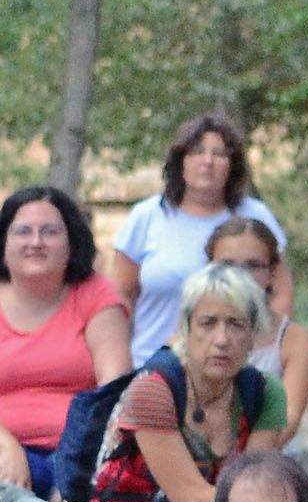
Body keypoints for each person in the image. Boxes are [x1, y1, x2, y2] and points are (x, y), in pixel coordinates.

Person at [83, 268, 287, 502]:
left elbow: (254, 489)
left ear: (253, 336)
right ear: (186, 330)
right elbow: (194, 496)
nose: (222, 340)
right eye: (208, 323)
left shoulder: (264, 392)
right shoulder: (154, 387)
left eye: (236, 325)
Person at [0, 184, 122, 495]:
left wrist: (75, 466)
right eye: (23, 232)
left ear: (71, 243)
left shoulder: (97, 294)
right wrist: (8, 449)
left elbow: (114, 389)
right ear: (3, 243)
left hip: (83, 451)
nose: (36, 242)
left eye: (50, 232)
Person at [104, 111, 283, 372]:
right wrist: (120, 369)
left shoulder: (255, 215)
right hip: (154, 367)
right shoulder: (146, 217)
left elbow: (281, 292)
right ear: (180, 161)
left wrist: (262, 350)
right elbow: (118, 301)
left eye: (219, 154)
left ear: (233, 164)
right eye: (197, 151)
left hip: (238, 371)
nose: (207, 161)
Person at [197, 214, 308, 435]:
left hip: (267, 463)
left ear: (273, 272)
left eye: (253, 266)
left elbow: (285, 424)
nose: (239, 275)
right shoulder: (188, 335)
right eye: (226, 265)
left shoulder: (295, 341)